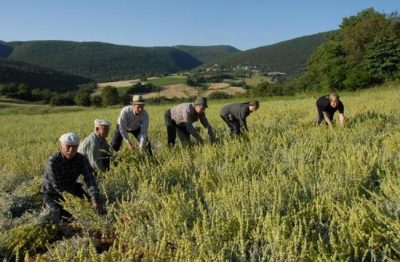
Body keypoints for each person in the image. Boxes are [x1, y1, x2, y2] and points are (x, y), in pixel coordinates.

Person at [42, 132, 104, 222]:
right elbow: (58, 187)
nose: (71, 150)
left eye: (74, 147)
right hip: (53, 194)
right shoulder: (53, 161)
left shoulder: (81, 159)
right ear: (61, 145)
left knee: (93, 208)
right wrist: (76, 202)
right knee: (55, 214)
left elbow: (90, 179)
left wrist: (94, 197)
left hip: (73, 189)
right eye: (68, 146)